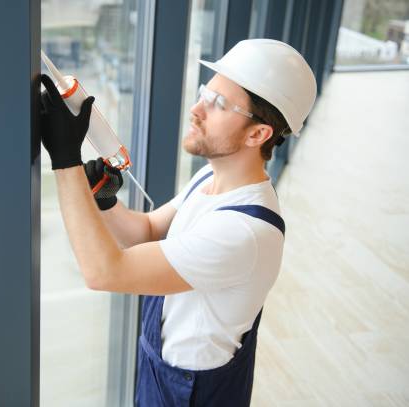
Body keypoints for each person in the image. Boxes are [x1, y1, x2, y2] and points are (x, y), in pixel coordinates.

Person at [40, 38, 316, 406]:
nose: (197, 109)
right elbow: (149, 231)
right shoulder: (210, 179)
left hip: (190, 393)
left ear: (258, 133)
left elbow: (103, 272)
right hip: (163, 371)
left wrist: (65, 160)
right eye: (206, 92)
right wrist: (106, 202)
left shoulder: (243, 232)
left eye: (219, 104)